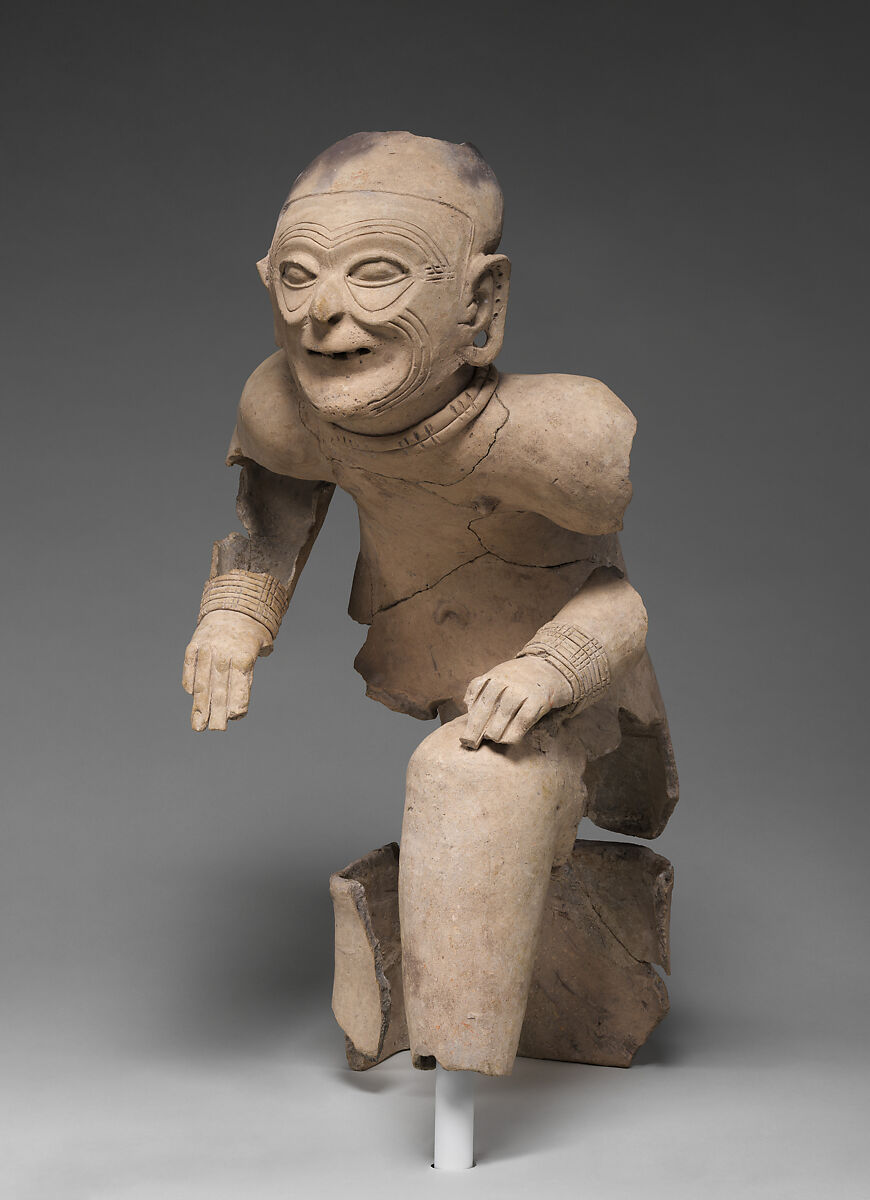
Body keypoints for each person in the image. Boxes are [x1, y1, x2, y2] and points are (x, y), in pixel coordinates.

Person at [182, 132, 677, 1076]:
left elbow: (617, 600)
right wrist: (235, 616)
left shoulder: (561, 436)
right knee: (463, 786)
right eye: (297, 277)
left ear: (480, 303)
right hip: (433, 654)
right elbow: (274, 520)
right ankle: (473, 988)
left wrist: (551, 670)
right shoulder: (283, 408)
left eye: (377, 274)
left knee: (466, 780)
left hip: (562, 676)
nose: (323, 313)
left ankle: (463, 1060)